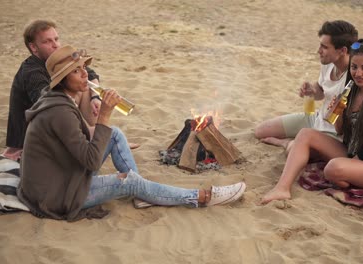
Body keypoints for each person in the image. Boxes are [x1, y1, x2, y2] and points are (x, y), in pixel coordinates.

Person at [17, 45, 246, 221]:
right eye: (76, 71)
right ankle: (201, 197)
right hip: (57, 196)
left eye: (83, 68)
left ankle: (142, 193)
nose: (84, 74)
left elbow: (84, 138)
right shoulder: (60, 111)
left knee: (114, 134)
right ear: (62, 80)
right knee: (127, 180)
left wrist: (103, 123)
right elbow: (91, 160)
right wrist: (104, 114)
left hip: (60, 178)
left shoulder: (58, 101)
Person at [261, 38, 363, 205]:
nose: (358, 73)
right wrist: (337, 114)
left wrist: (354, 161)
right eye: (354, 67)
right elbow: (340, 130)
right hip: (348, 152)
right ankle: (282, 188)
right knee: (305, 134)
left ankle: (344, 174)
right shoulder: (349, 89)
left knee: (332, 168)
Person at [3, 19, 137, 161]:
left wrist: (95, 98)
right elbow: (51, 107)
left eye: (56, 39)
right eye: (47, 41)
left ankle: (97, 136)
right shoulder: (32, 72)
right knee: (75, 88)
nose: (55, 45)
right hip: (31, 138)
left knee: (82, 84)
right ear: (34, 47)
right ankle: (97, 136)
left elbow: (90, 74)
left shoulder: (58, 62)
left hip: (57, 125)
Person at [255, 20, 358, 149]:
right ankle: (296, 142)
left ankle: (286, 143)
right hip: (316, 119)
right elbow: (321, 88)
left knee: (296, 148)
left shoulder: (355, 77)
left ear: (342, 50)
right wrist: (313, 91)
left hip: (333, 134)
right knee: (260, 131)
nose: (318, 51)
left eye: (324, 47)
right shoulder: (329, 64)